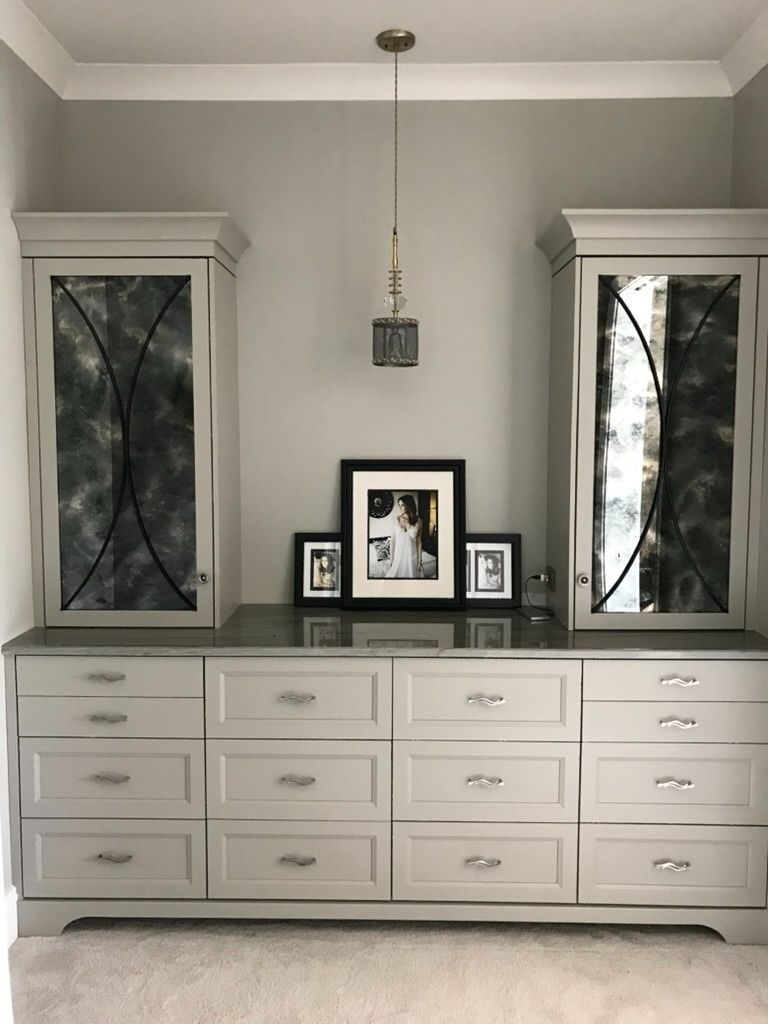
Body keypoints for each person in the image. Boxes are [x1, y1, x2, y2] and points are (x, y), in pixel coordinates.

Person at [386, 494, 423, 578]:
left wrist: (419, 561)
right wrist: (391, 558)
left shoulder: (419, 521)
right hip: (399, 555)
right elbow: (393, 540)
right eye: (399, 505)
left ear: (408, 505)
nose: (400, 507)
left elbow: (419, 542)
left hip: (412, 555)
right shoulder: (396, 519)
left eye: (402, 505)